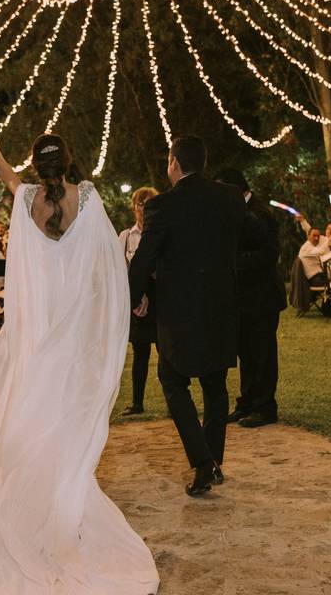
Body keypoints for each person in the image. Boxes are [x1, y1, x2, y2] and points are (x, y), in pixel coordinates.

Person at [0, 79, 159, 595]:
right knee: (64, 429)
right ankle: (57, 513)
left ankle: (36, 514)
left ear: (36, 164)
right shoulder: (86, 199)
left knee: (29, 427)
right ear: (69, 162)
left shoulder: (24, 199)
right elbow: (107, 265)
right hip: (70, 339)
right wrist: (107, 313)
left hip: (36, 335)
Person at [129, 135, 244, 497]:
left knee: (170, 377)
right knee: (215, 385)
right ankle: (213, 461)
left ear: (174, 163)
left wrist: (135, 298)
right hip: (221, 308)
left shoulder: (162, 206)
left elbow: (143, 258)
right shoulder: (229, 198)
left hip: (179, 312)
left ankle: (203, 461)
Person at [215, 168, 285, 429]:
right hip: (245, 297)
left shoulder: (258, 214)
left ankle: (265, 407)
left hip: (262, 297)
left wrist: (231, 263)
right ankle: (246, 403)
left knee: (262, 353)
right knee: (246, 352)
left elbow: (268, 254)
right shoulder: (241, 212)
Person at [118, 186, 159, 416]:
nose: (143, 209)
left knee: (167, 353)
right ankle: (137, 401)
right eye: (140, 204)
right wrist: (134, 297)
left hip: (159, 299)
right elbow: (120, 269)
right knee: (140, 352)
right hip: (136, 300)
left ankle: (174, 399)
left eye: (148, 204)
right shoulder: (126, 237)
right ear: (134, 207)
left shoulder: (162, 234)